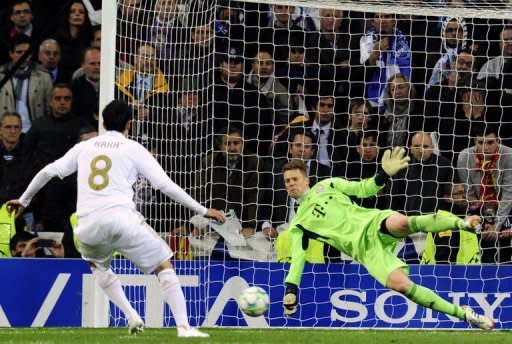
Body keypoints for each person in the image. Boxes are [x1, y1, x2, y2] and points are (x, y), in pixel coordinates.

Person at [6, 100, 226, 337]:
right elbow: (164, 185)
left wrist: (24, 199)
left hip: (88, 224)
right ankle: (183, 327)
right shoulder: (133, 148)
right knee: (163, 265)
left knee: (96, 264)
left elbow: (49, 171)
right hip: (122, 220)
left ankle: (130, 315)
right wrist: (202, 210)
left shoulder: (84, 147)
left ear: (102, 122)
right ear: (129, 124)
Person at [280, 152, 493, 330]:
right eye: (287, 181)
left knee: (403, 223)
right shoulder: (298, 224)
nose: (291, 184)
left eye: (294, 179)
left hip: (372, 221)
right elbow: (298, 258)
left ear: (306, 180)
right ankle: (465, 315)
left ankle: (462, 224)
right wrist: (291, 289)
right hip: (365, 250)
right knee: (402, 286)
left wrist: (383, 174)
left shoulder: (327, 185)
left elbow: (364, 189)